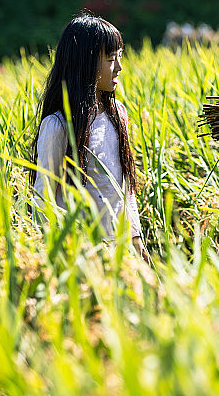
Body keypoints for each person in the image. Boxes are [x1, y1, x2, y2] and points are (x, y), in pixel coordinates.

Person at [31, 13, 150, 262]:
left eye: (119, 57)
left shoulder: (118, 114)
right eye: (110, 59)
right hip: (80, 253)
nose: (119, 67)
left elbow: (124, 189)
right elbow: (44, 199)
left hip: (120, 250)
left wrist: (137, 240)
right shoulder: (57, 125)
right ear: (84, 63)